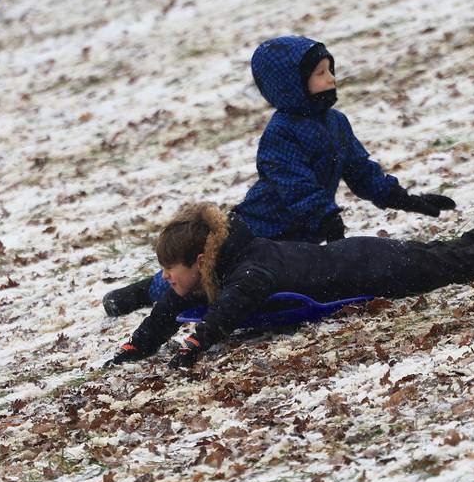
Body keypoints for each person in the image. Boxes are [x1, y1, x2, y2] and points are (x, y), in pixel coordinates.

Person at [105, 182, 474, 369]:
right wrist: (139, 346)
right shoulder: (215, 267)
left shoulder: (249, 268)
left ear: (199, 262)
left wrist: (199, 342)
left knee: (466, 263)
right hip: (367, 258)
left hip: (378, 268)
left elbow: (231, 306)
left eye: (170, 272)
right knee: (457, 252)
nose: (166, 282)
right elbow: (171, 305)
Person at [103, 35, 455, 316]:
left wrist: (407, 199)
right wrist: (327, 217)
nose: (331, 78)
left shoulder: (336, 123)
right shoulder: (281, 132)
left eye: (330, 69)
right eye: (320, 73)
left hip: (301, 232)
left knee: (281, 278)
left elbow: (361, 170)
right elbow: (295, 185)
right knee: (210, 280)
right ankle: (144, 291)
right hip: (261, 224)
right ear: (291, 84)